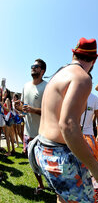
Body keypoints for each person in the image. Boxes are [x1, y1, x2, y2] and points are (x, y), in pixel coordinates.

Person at [33, 38, 98, 202]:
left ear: (74, 54)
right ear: (94, 60)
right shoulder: (82, 77)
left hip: (44, 149)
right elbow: (68, 125)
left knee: (63, 197)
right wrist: (94, 166)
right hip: (58, 153)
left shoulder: (59, 74)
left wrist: (89, 163)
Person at [14, 59, 47, 194]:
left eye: (36, 67)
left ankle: (53, 183)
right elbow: (23, 107)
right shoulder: (26, 86)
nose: (33, 68)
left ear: (42, 70)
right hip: (28, 132)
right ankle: (40, 185)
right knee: (32, 162)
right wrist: (18, 107)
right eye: (32, 66)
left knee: (45, 163)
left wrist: (33, 110)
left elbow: (51, 111)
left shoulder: (47, 87)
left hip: (44, 133)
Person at [0, 88, 16, 156]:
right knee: (11, 136)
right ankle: (13, 150)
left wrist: (2, 105)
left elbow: (8, 110)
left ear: (8, 93)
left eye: (5, 92)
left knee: (7, 136)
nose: (4, 93)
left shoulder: (7, 99)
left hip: (8, 119)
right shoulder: (6, 99)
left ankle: (9, 152)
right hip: (9, 119)